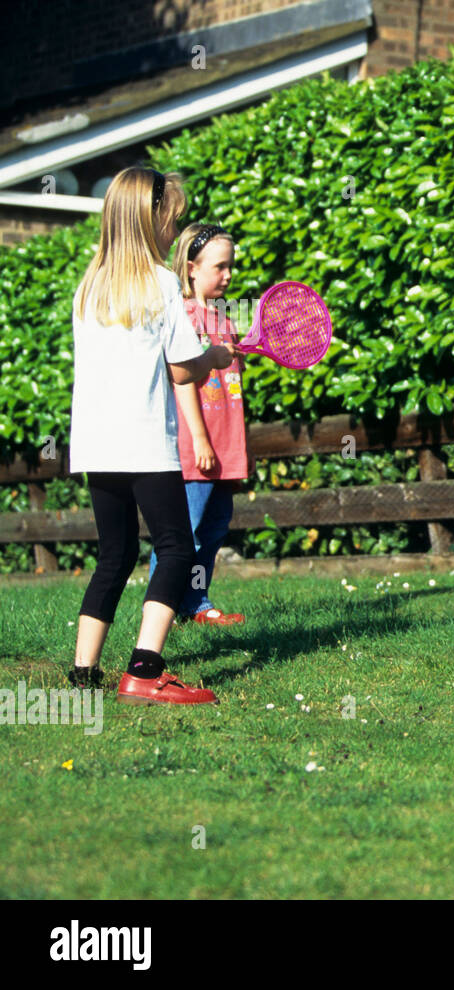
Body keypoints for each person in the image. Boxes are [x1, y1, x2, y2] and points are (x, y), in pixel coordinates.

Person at [67, 166, 234, 704]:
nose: (173, 229)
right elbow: (184, 369)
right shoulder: (161, 282)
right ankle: (145, 669)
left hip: (96, 443)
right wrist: (215, 355)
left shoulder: (89, 285)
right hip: (144, 442)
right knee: (178, 546)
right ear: (150, 218)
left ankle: (84, 673)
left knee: (113, 555)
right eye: (171, 219)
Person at [145, 222, 248, 625]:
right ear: (191, 268)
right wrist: (202, 441)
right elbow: (180, 380)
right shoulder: (182, 315)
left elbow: (231, 392)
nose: (228, 275)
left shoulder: (225, 319)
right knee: (181, 533)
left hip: (226, 447)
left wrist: (240, 448)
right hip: (195, 447)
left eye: (231, 267)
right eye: (219, 267)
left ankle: (195, 602)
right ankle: (161, 612)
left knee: (214, 529)